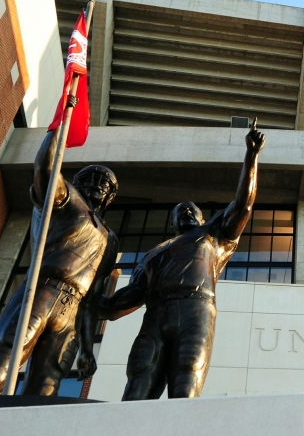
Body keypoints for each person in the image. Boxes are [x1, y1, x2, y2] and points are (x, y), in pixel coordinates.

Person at [101, 123, 264, 399]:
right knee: (139, 382)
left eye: (193, 210)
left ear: (202, 219)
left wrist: (251, 156)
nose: (187, 211)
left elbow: (243, 205)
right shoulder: (153, 254)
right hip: (156, 313)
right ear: (172, 222)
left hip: (195, 309)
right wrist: (94, 301)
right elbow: (128, 299)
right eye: (181, 210)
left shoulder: (212, 235)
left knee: (186, 381)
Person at [0, 131, 119, 397]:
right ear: (78, 181)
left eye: (107, 182)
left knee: (45, 388)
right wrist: (56, 130)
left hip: (71, 310)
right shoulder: (66, 199)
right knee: (2, 361)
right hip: (43, 290)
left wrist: (86, 347)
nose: (100, 183)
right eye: (92, 177)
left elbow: (93, 298)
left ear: (110, 197)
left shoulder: (110, 239)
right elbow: (46, 169)